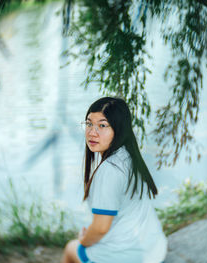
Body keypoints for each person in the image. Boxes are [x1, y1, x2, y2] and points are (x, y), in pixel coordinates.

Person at [61, 97, 167, 263]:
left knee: (71, 249)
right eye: (89, 124)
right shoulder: (128, 155)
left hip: (133, 257)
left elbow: (101, 228)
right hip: (154, 248)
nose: (92, 132)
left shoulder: (109, 170)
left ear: (118, 129)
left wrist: (84, 240)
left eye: (102, 125)